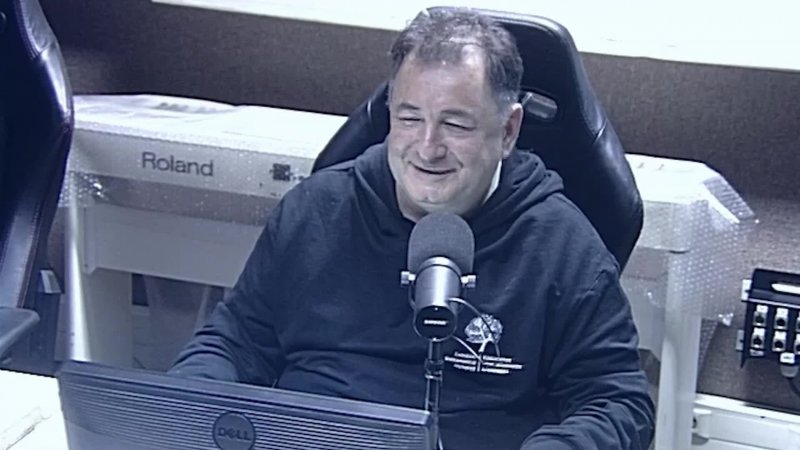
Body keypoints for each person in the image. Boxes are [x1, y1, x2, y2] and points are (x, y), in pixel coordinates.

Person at [170, 7, 655, 449]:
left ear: (508, 131)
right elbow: (235, 341)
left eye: (455, 125)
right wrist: (182, 411)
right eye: (409, 118)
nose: (427, 147)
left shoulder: (563, 247)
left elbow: (617, 403)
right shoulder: (316, 210)